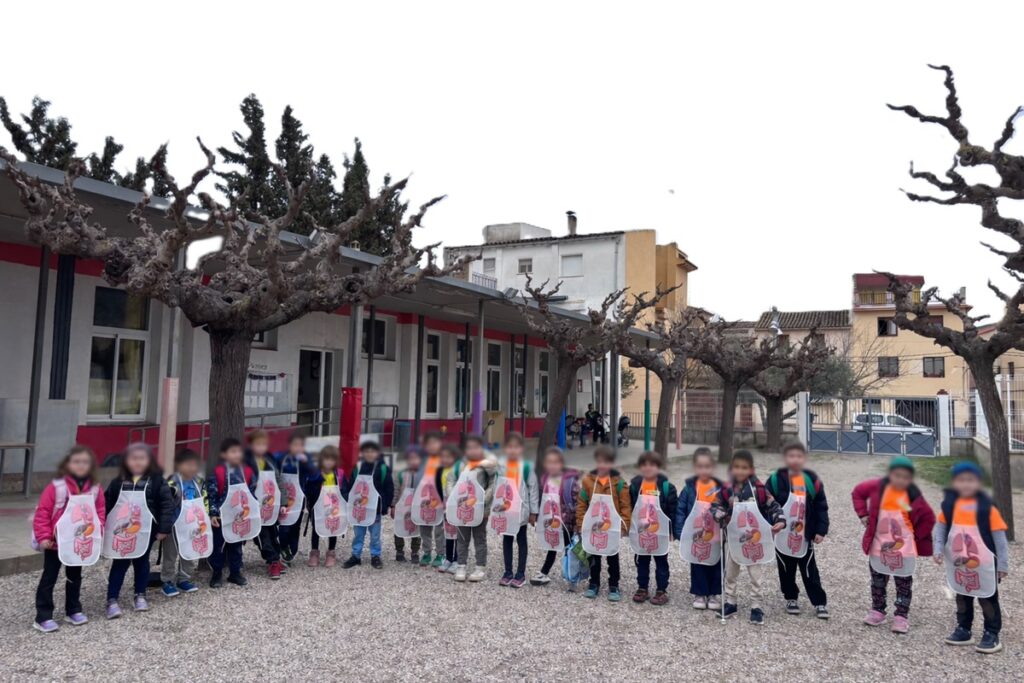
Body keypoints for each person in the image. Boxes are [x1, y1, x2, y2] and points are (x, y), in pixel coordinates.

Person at [852, 455, 935, 634]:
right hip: (879, 545)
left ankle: (901, 615)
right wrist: (863, 514)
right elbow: (857, 492)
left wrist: (916, 536)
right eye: (897, 475)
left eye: (905, 477)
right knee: (878, 579)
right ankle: (878, 610)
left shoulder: (913, 495)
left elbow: (928, 518)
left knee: (903, 581)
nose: (900, 480)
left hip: (903, 548)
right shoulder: (877, 487)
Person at [933, 460, 1008, 654]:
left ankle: (992, 633)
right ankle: (964, 629)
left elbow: (1000, 538)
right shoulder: (949, 506)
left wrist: (1003, 564)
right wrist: (938, 548)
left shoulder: (987, 509)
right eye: (961, 480)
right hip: (960, 564)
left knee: (987, 598)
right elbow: (941, 528)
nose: (966, 484)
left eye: (970, 480)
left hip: (985, 564)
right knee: (962, 595)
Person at [32, 445, 107, 633]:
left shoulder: (95, 489)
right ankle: (43, 616)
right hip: (55, 542)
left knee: (75, 576)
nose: (81, 465)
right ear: (67, 464)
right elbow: (43, 512)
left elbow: (99, 511)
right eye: (76, 461)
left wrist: (99, 529)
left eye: (85, 462)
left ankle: (73, 609)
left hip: (78, 542)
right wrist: (44, 536)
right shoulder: (57, 488)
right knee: (49, 577)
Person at [711, 449, 784, 625]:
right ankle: (730, 602)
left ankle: (756, 606)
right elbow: (715, 504)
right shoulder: (726, 489)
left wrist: (780, 520)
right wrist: (719, 513)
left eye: (744, 467)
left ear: (751, 469)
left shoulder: (759, 489)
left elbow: (773, 505)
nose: (740, 471)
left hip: (754, 540)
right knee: (730, 572)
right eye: (736, 467)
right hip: (733, 538)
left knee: (755, 574)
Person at [104, 442, 175, 618]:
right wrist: (102, 526)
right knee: (119, 563)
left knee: (142, 562)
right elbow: (107, 504)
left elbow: (167, 505)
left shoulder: (157, 481)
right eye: (133, 458)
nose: (137, 462)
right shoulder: (117, 482)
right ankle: (112, 599)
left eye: (142, 458)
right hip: (122, 532)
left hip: (146, 531)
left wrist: (164, 528)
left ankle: (140, 594)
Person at [765, 441, 830, 619]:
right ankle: (791, 597)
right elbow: (766, 503)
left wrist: (821, 530)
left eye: (799, 456)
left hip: (805, 534)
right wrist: (769, 525)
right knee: (786, 569)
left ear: (804, 459)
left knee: (809, 569)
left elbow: (821, 506)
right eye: (791, 456)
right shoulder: (776, 480)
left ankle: (819, 601)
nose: (795, 460)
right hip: (782, 534)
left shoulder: (812, 480)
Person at [576, 444, 632, 601]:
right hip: (593, 527)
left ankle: (614, 584)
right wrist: (581, 524)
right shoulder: (588, 482)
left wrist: (624, 525)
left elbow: (625, 506)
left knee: (612, 556)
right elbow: (581, 504)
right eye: (600, 461)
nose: (603, 465)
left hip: (612, 528)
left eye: (607, 462)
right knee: (593, 556)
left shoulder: (619, 483)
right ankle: (594, 583)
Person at [674, 447, 724, 611]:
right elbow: (681, 510)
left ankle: (714, 593)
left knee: (716, 564)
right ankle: (700, 593)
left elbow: (727, 507)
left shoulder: (720, 488)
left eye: (707, 466)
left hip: (715, 535)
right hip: (696, 535)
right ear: (695, 468)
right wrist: (680, 532)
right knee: (698, 564)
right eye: (700, 467)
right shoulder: (689, 488)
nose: (704, 470)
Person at [629, 451, 678, 605]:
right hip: (642, 532)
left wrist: (672, 531)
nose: (648, 468)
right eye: (645, 464)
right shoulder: (635, 486)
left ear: (658, 467)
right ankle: (642, 587)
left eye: (652, 464)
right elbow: (631, 508)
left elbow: (672, 510)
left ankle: (661, 589)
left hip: (660, 532)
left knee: (661, 561)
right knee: (642, 560)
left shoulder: (667, 487)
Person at [207, 438, 255, 587]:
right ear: (223, 454)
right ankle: (216, 573)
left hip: (239, 517)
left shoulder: (247, 471)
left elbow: (252, 492)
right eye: (233, 451)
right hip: (221, 517)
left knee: (236, 545)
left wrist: (252, 511)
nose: (237, 454)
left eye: (239, 451)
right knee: (218, 546)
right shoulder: (217, 471)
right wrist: (213, 514)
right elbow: (212, 494)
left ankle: (235, 572)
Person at [160, 448, 207, 597]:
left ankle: (184, 578)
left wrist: (205, 518)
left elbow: (204, 500)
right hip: (174, 524)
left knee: (189, 552)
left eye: (194, 464)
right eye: (187, 464)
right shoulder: (172, 482)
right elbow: (166, 503)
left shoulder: (198, 482)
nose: (191, 468)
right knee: (170, 554)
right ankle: (167, 581)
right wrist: (164, 526)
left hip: (192, 525)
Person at [531, 446, 580, 587]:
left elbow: (578, 501)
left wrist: (577, 521)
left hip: (567, 522)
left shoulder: (570, 481)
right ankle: (545, 572)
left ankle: (573, 575)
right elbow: (544, 501)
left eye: (556, 462)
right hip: (552, 521)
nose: (552, 465)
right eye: (549, 462)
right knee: (552, 547)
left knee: (570, 549)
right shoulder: (546, 480)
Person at [450, 435, 496, 583]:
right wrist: (453, 497)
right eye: (469, 447)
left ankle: (480, 566)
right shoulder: (459, 465)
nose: (473, 450)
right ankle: (461, 565)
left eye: (476, 447)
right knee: (462, 538)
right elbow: (451, 480)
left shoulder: (487, 466)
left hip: (480, 509)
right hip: (462, 507)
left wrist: (484, 500)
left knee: (479, 538)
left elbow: (493, 482)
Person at [342, 441, 393, 569]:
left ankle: (375, 556)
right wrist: (347, 498)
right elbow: (349, 485)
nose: (369, 454)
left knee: (375, 535)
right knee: (358, 534)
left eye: (372, 451)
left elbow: (388, 487)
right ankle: (356, 555)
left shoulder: (382, 468)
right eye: (367, 451)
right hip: (358, 509)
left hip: (374, 509)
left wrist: (386, 504)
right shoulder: (357, 468)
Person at [497, 432, 540, 588]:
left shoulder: (527, 467)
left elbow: (533, 489)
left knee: (521, 540)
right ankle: (508, 571)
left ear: (521, 449)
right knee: (507, 540)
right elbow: (497, 487)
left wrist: (533, 512)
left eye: (516, 447)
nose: (513, 450)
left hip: (521, 510)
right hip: (506, 510)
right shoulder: (501, 466)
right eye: (510, 447)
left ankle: (520, 573)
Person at [245, 430, 285, 579]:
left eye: (263, 444)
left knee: (273, 533)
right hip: (255, 505)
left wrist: (283, 502)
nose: (261, 447)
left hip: (271, 505)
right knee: (262, 535)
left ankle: (276, 558)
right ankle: (272, 560)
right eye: (258, 444)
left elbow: (278, 480)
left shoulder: (270, 460)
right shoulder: (246, 461)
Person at [304, 445, 346, 567]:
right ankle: (314, 552)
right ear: (321, 459)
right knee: (316, 529)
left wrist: (345, 502)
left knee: (333, 528)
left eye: (332, 459)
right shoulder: (315, 474)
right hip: (318, 506)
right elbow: (309, 490)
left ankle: (331, 552)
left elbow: (344, 490)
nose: (328, 462)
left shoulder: (339, 474)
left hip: (334, 507)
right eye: (326, 459)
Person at [274, 431, 310, 564]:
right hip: (283, 499)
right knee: (283, 528)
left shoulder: (303, 461)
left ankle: (292, 552)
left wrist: (306, 463)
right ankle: (284, 548)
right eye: (295, 445)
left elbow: (314, 474)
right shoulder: (281, 458)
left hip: (298, 500)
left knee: (295, 527)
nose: (298, 448)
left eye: (301, 445)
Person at [419, 431, 447, 568]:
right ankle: (426, 552)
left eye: (434, 443)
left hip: (440, 499)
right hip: (424, 499)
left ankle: (441, 553)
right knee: (424, 526)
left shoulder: (445, 460)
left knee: (439, 529)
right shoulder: (422, 461)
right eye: (429, 443)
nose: (432, 446)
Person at [393, 445, 424, 564]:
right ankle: (399, 551)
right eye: (411, 458)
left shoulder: (423, 475)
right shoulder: (400, 474)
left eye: (416, 458)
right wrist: (393, 505)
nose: (413, 461)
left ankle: (415, 551)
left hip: (417, 507)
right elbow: (396, 490)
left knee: (417, 528)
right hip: (401, 507)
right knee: (399, 527)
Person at [437, 444, 461, 573]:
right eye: (443, 457)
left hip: (456, 504)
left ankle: (457, 559)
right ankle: (448, 558)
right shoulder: (440, 470)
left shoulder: (458, 470)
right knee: (448, 532)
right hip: (445, 504)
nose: (445, 459)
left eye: (448, 457)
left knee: (458, 533)